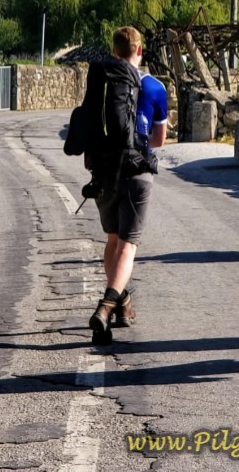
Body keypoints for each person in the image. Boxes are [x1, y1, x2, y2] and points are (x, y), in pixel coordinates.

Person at [85, 26, 168, 344]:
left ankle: (122, 303)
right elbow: (158, 140)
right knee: (129, 246)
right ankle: (107, 306)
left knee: (112, 240)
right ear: (141, 50)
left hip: (103, 173)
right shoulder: (154, 86)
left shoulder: (102, 81)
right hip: (136, 173)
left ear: (114, 51)